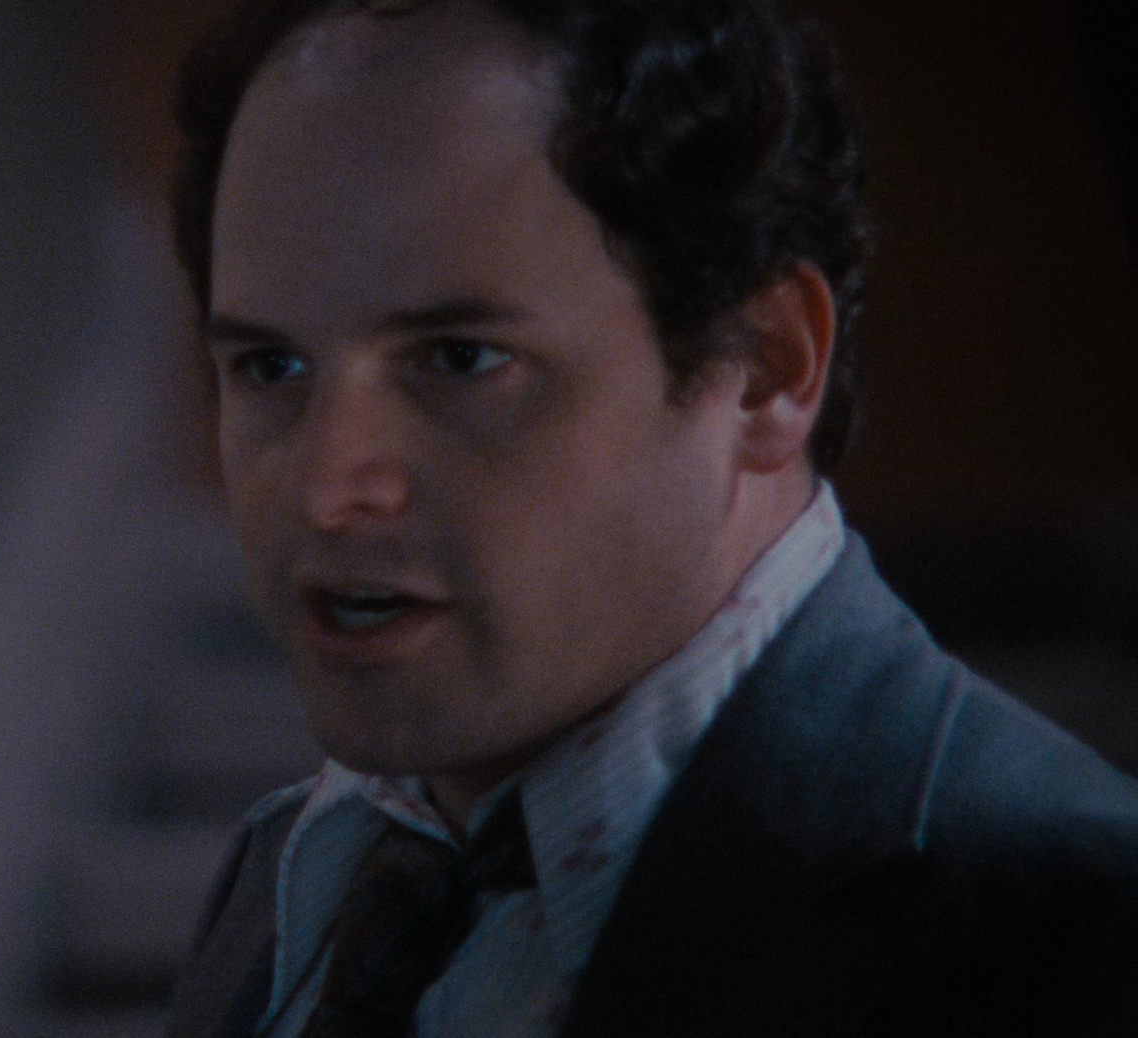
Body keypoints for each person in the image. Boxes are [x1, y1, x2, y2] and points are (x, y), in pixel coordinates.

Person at [161, 0, 1138, 1035]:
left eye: (459, 359)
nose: (329, 490)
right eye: (270, 366)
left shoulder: (1064, 920)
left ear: (765, 367)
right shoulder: (302, 873)